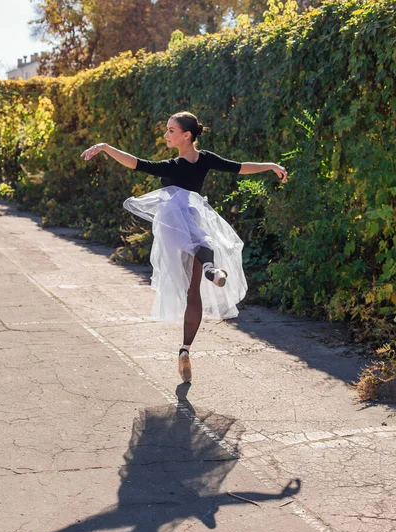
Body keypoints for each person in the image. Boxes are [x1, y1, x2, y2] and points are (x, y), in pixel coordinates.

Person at [81, 111, 287, 383]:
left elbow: (136, 164)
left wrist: (106, 147)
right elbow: (240, 166)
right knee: (201, 259)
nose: (166, 135)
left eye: (170, 130)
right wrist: (270, 165)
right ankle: (195, 319)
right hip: (193, 216)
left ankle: (185, 350)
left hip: (172, 226)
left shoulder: (171, 165)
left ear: (186, 135)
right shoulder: (205, 159)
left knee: (192, 280)